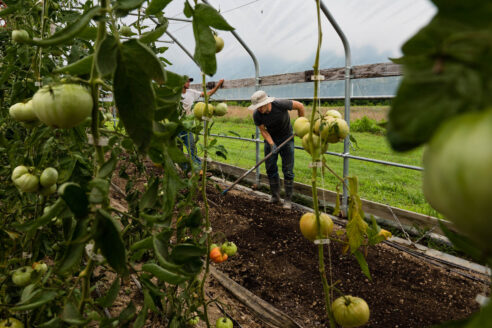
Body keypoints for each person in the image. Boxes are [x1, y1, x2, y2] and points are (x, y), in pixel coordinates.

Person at [249, 90, 305, 209]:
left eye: (260, 106)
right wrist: (271, 144)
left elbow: (300, 106)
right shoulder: (257, 115)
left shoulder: (280, 104)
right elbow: (263, 130)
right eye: (256, 107)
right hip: (271, 138)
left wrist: (302, 124)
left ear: (266, 102)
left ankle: (288, 200)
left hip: (287, 138)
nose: (258, 109)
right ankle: (275, 197)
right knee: (270, 168)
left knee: (288, 170)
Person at [180, 77, 224, 171]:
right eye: (186, 81)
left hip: (187, 126)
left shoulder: (191, 92)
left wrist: (218, 85)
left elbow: (207, 94)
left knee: (192, 148)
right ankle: (185, 171)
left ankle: (198, 170)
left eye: (189, 81)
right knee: (178, 151)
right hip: (176, 126)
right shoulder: (175, 94)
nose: (188, 83)